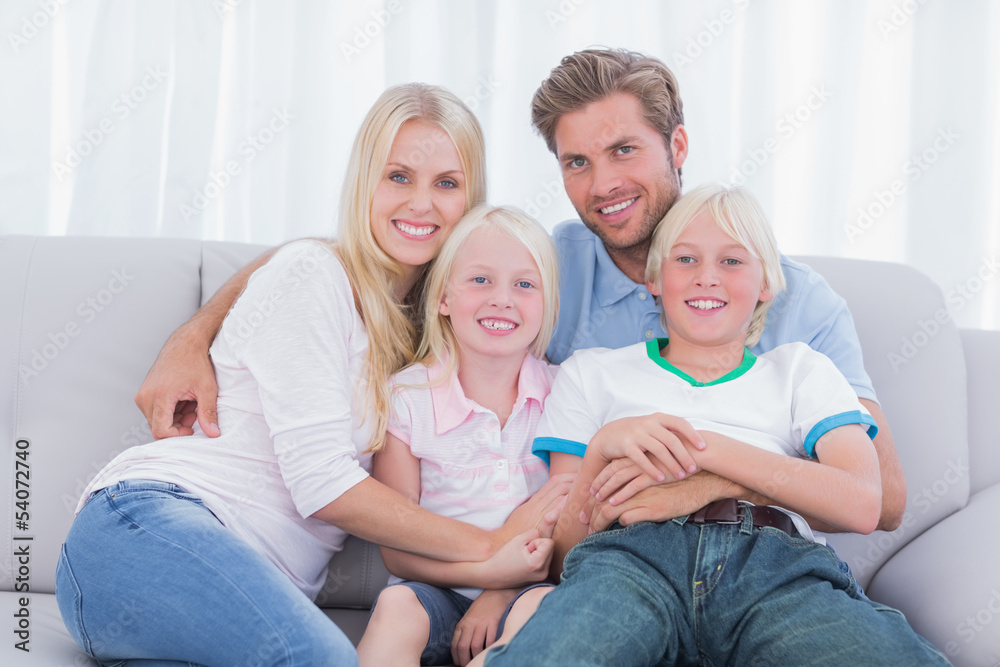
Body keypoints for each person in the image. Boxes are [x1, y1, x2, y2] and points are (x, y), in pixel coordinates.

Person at [135, 48, 905, 540]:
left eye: (624, 151)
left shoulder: (794, 297)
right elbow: (363, 256)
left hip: (760, 555)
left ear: (678, 145)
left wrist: (709, 481)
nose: (601, 185)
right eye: (576, 162)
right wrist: (193, 333)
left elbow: (888, 499)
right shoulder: (544, 273)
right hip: (606, 559)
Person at [54, 83, 568, 667]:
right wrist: (491, 546)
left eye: (446, 184)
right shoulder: (313, 275)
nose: (421, 204)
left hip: (228, 600)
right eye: (398, 176)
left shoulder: (436, 328)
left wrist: (195, 330)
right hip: (151, 527)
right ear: (363, 182)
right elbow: (321, 482)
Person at [482, 184, 949, 666]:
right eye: (685, 260)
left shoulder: (801, 370)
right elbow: (561, 560)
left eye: (731, 261)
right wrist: (601, 448)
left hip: (773, 568)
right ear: (655, 279)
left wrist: (705, 456)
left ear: (766, 283)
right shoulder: (590, 371)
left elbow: (863, 504)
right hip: (628, 563)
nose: (707, 277)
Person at [356, 205, 562, 667]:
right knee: (396, 605)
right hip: (435, 592)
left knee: (541, 608)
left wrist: (500, 588)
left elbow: (566, 519)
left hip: (526, 589)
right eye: (480, 280)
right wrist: (487, 570)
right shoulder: (408, 396)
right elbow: (397, 550)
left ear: (547, 303)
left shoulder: (562, 395)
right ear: (444, 297)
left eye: (525, 285)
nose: (502, 299)